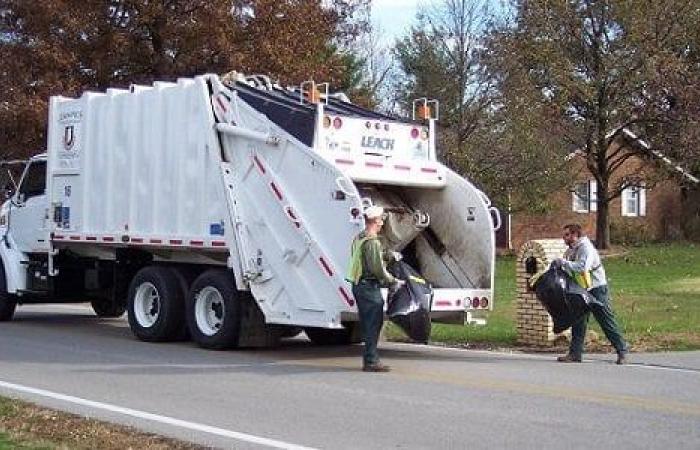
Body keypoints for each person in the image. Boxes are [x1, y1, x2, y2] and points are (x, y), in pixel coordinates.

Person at [555, 223, 628, 365]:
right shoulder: (571, 250)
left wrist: (563, 263)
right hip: (581, 289)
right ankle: (575, 354)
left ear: (576, 235)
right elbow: (570, 269)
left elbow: (583, 267)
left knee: (605, 319)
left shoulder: (585, 248)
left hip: (597, 288)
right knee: (578, 321)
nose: (564, 238)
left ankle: (622, 351)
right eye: (564, 235)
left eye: (567, 235)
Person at [346, 205, 405, 372]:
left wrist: (389, 254)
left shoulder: (360, 238)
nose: (382, 223)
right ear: (376, 221)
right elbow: (376, 268)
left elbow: (369, 258)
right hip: (369, 287)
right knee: (373, 324)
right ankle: (371, 361)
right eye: (381, 220)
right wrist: (393, 281)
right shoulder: (371, 241)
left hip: (359, 285)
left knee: (367, 323)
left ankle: (370, 358)